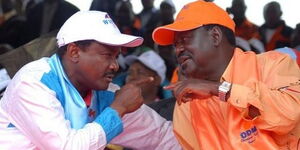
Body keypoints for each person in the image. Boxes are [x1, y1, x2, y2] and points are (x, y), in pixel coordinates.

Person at [0, 11, 181, 149]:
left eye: (116, 56)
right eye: (106, 55)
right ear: (74, 52)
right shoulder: (34, 82)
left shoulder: (106, 93)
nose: (115, 66)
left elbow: (161, 135)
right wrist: (118, 110)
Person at [152, 1, 300, 149]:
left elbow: (290, 115)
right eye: (175, 45)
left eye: (184, 40)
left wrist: (221, 89)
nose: (178, 50)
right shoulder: (187, 104)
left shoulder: (272, 65)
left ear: (215, 36)